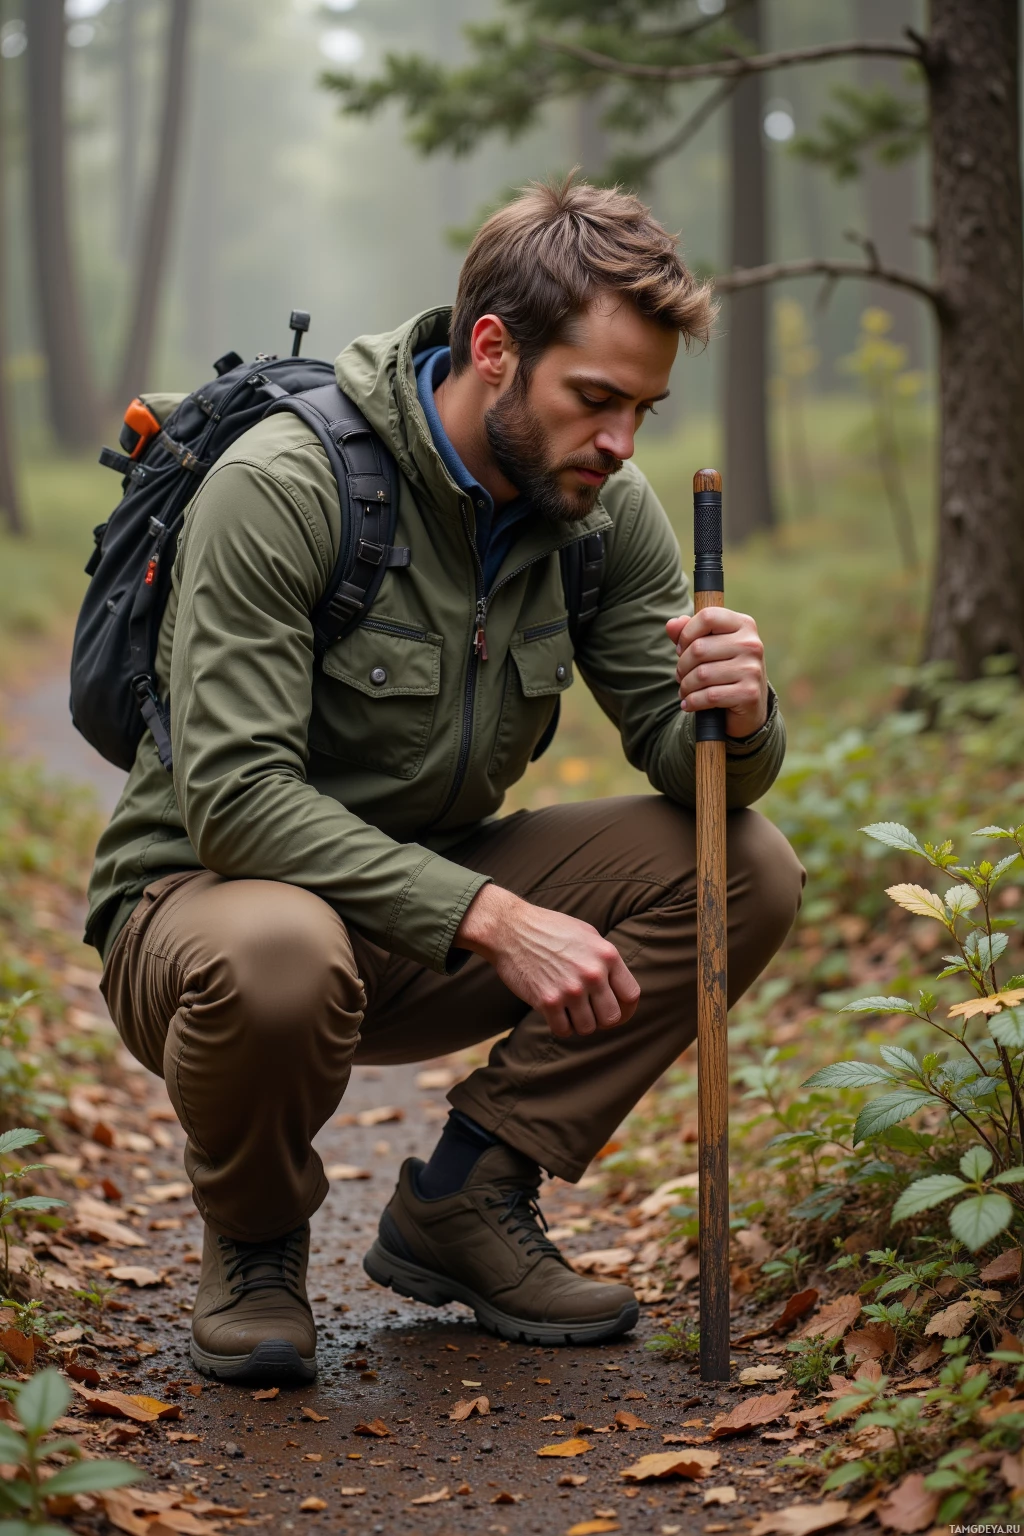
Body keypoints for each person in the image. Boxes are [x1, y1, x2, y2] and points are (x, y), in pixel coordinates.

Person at [87, 175, 804, 1386]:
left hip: (411, 916)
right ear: (492, 350)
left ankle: (468, 1196)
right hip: (206, 908)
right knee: (279, 952)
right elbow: (235, 800)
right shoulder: (288, 486)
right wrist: (488, 916)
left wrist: (739, 711)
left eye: (643, 407)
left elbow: (691, 771)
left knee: (745, 867)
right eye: (594, 399)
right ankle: (257, 1244)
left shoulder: (599, 510)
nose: (623, 442)